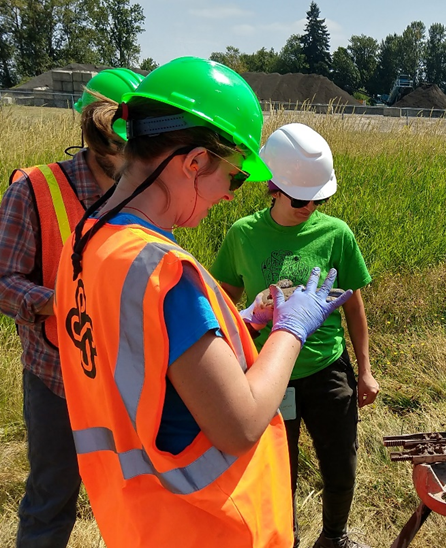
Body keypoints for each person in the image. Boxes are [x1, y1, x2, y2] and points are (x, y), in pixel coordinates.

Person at [51, 56, 351, 548]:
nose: (234, 196)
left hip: (137, 518)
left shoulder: (85, 243)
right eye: (234, 177)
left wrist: (242, 319)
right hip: (203, 525)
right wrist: (290, 330)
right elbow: (240, 423)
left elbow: (146, 357)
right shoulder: (164, 272)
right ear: (193, 162)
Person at [211, 122, 377, 549]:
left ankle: (334, 537)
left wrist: (365, 371)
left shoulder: (336, 233)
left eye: (320, 198)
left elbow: (353, 307)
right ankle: (286, 540)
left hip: (327, 369)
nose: (310, 207)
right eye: (302, 198)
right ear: (275, 189)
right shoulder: (243, 235)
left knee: (341, 465)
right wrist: (252, 313)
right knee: (277, 470)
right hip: (268, 376)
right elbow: (222, 309)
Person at [0, 66, 141, 548]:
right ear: (98, 133)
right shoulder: (33, 189)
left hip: (124, 381)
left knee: (130, 498)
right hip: (56, 380)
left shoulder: (141, 197)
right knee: (52, 497)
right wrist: (55, 302)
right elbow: (3, 280)